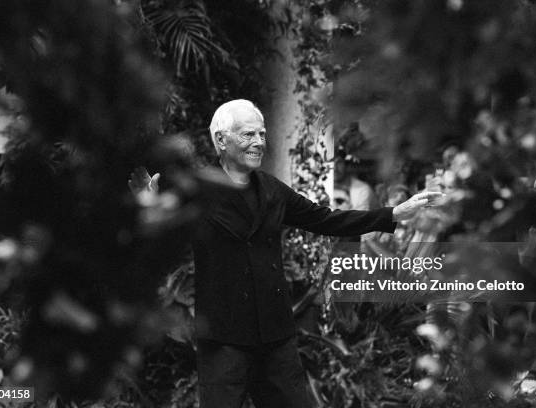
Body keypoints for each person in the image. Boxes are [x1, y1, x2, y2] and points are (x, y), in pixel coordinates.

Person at [129, 99, 441, 408]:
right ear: (221, 140)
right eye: (249, 134)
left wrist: (393, 214)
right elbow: (161, 246)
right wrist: (147, 211)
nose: (259, 142)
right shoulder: (197, 191)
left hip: (275, 336)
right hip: (224, 338)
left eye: (262, 134)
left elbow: (327, 219)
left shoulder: (273, 190)